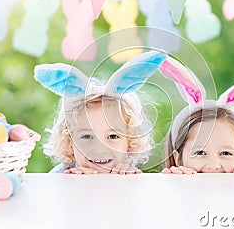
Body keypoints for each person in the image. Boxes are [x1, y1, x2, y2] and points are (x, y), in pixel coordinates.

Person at [34, 51, 167, 174]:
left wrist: (132, 185)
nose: (100, 149)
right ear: (69, 142)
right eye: (87, 136)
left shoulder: (131, 176)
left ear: (130, 143)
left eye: (113, 136)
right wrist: (67, 185)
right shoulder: (61, 176)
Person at [158, 57, 234, 174]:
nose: (214, 165)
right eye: (200, 152)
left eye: (226, 153)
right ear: (178, 159)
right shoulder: (168, 191)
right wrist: (170, 185)